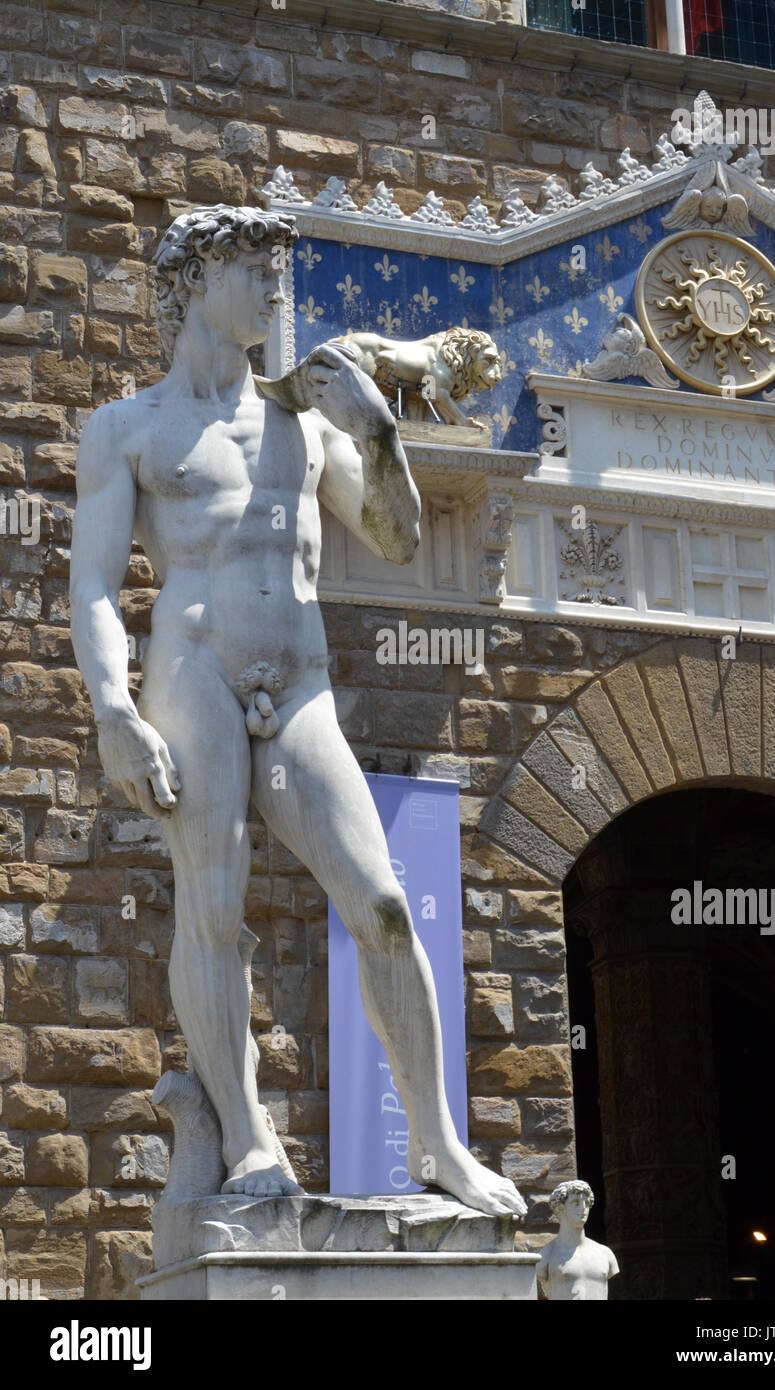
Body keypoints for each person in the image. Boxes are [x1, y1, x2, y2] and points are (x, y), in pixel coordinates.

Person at [70, 204, 526, 1218]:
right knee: (215, 908)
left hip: (302, 684)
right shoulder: (130, 429)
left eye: (279, 270)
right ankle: (248, 1132)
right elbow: (96, 586)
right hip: (194, 674)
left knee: (382, 904)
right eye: (254, 269)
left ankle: (439, 1143)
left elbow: (398, 538)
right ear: (193, 281)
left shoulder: (306, 414)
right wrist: (112, 711)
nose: (276, 289)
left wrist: (378, 425)